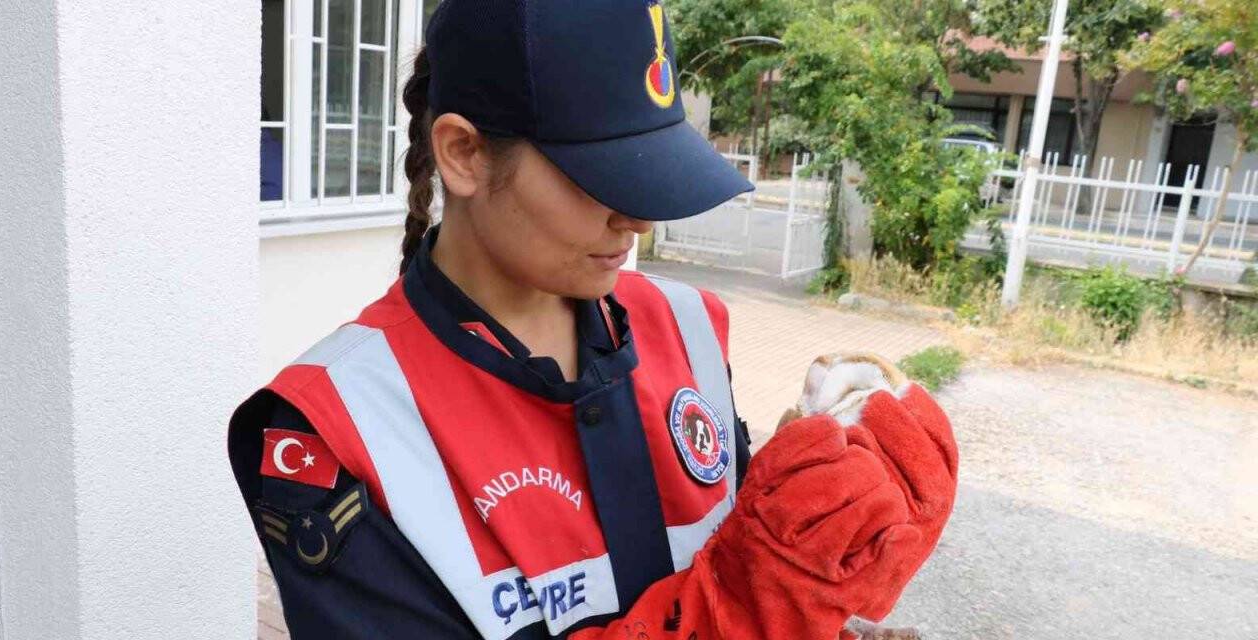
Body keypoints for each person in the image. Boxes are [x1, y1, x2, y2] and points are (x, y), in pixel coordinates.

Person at [227, 1, 958, 638]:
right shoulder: (332, 430)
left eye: (648, 170)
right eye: (598, 176)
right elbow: (744, 592)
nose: (636, 218)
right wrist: (759, 601)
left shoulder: (688, 327)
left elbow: (732, 555)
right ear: (464, 154)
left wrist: (826, 599)